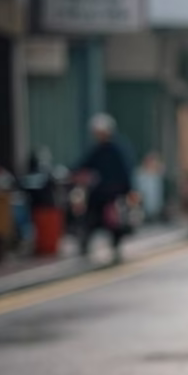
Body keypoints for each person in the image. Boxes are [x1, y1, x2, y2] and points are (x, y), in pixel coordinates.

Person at [73, 113, 134, 263]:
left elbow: (126, 172)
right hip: (99, 193)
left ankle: (115, 246)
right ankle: (84, 244)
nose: (97, 135)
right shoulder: (98, 150)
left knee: (114, 223)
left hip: (113, 193)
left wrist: (128, 191)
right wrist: (73, 171)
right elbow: (85, 164)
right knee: (90, 219)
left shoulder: (117, 150)